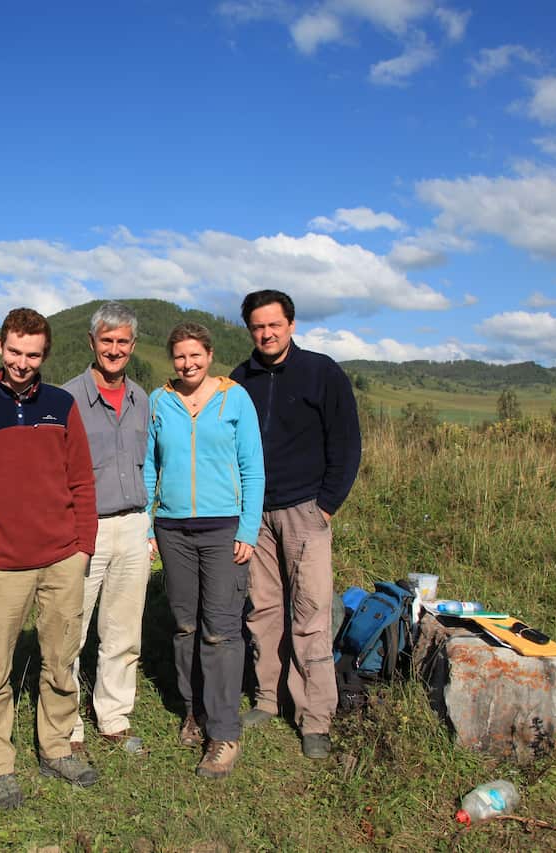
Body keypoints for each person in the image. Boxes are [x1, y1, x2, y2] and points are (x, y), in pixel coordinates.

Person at [0, 307, 100, 809]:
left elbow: (81, 479)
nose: (22, 362)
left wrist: (84, 546)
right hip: (4, 563)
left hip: (62, 557)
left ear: (45, 355)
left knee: (60, 660)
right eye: (15, 351)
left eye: (32, 354)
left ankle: (56, 749)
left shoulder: (62, 405)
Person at [230, 289, 361, 760]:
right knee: (262, 610)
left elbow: (346, 444)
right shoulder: (238, 380)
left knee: (310, 614)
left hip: (305, 509)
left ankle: (315, 717)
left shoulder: (321, 372)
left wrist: (325, 505)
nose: (266, 334)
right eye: (257, 327)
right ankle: (268, 699)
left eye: (274, 325)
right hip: (254, 514)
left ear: (291, 325)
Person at [144, 322, 264, 779]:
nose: (187, 364)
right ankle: (194, 711)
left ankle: (225, 731)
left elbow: (253, 468)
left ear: (209, 355)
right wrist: (150, 523)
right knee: (185, 625)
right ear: (171, 359)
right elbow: (149, 465)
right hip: (173, 528)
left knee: (221, 630)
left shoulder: (235, 399)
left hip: (223, 528)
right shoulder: (160, 401)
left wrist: (248, 529)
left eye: (195, 355)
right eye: (179, 357)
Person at [61, 302, 151, 755]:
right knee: (70, 631)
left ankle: (113, 715)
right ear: (92, 342)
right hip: (85, 528)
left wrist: (149, 525)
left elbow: (149, 464)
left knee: (122, 630)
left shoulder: (142, 399)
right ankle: (66, 723)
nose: (114, 349)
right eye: (106, 340)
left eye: (123, 342)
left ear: (132, 346)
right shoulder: (66, 399)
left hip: (134, 525)